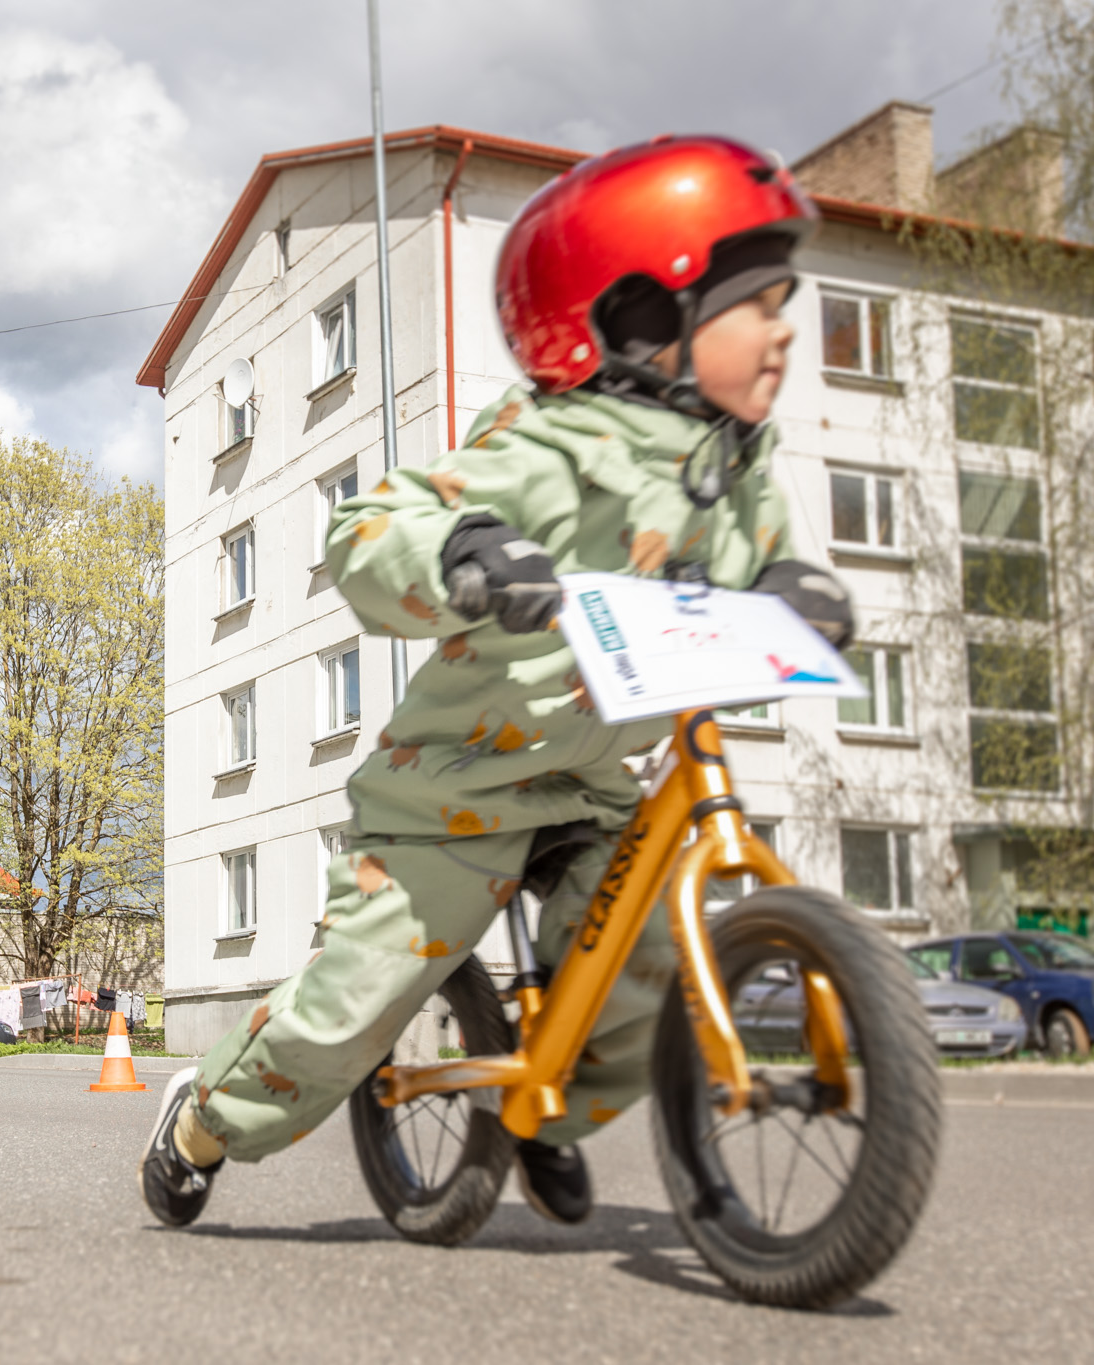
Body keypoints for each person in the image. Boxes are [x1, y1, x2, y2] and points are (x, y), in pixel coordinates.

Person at [141, 136, 855, 1228]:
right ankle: (204, 1119)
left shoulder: (734, 466)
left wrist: (794, 587)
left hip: (599, 779)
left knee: (649, 954)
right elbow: (376, 525)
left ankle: (540, 1111)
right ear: (639, 322)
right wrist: (464, 551)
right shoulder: (550, 447)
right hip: (454, 786)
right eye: (756, 301)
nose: (784, 327)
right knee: (353, 1008)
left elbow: (759, 560)